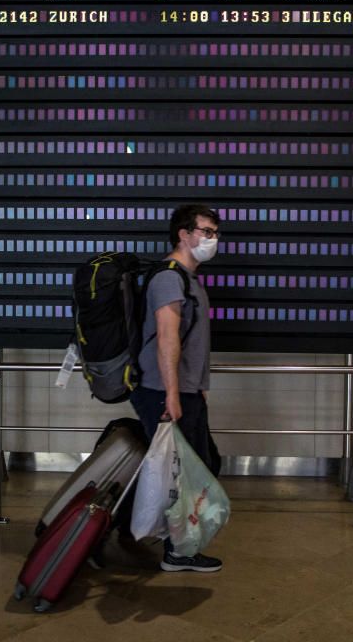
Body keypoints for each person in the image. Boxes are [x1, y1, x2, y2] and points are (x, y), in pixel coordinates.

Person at [130, 203, 223, 573]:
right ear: (184, 235)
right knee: (183, 474)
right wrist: (172, 394)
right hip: (164, 392)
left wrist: (197, 387)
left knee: (198, 466)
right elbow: (168, 339)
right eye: (206, 231)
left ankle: (169, 541)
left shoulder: (188, 278)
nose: (212, 239)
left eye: (215, 233)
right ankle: (177, 551)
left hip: (184, 391)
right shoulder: (170, 278)